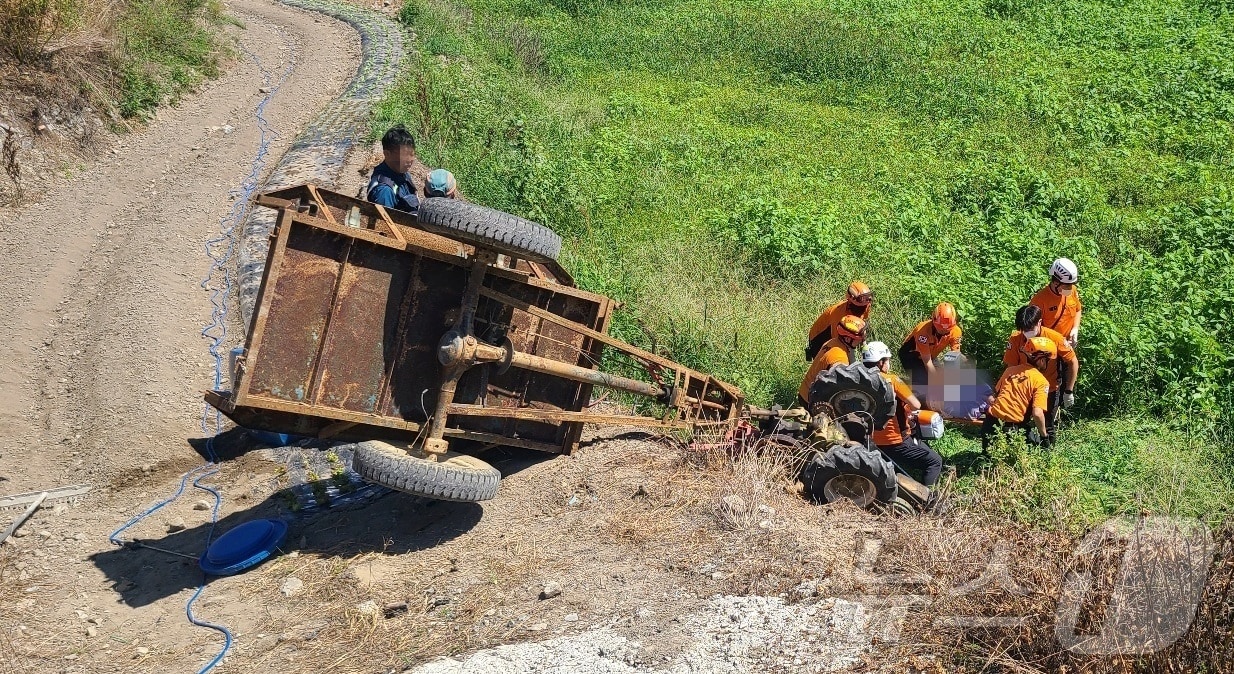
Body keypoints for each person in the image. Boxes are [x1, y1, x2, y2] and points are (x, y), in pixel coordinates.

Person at [862, 341, 943, 488]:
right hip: (895, 441)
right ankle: (928, 498)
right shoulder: (892, 380)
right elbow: (916, 405)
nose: (888, 364)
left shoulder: (858, 380)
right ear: (881, 362)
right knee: (935, 461)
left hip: (870, 441)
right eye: (887, 360)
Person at [1002, 304, 1079, 437]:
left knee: (1047, 426)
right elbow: (1011, 367)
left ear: (1039, 322)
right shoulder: (1016, 339)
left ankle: (1047, 448)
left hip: (1049, 388)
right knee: (1015, 424)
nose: (1027, 332)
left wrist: (1068, 391)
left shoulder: (1055, 338)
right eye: (1023, 329)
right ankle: (1026, 442)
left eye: (1030, 328)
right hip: (1024, 388)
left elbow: (1073, 361)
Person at [982, 336, 1054, 451]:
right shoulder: (1041, 381)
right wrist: (1044, 436)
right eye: (1048, 360)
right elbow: (1037, 413)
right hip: (1012, 431)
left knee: (987, 460)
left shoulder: (1010, 371)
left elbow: (997, 396)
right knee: (1035, 447)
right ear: (1041, 360)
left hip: (989, 425)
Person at [897, 302, 963, 397]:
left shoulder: (956, 331)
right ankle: (905, 394)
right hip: (911, 355)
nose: (944, 332)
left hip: (931, 355)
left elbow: (955, 357)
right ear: (933, 321)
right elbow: (927, 362)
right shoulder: (923, 331)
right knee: (924, 384)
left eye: (947, 329)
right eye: (940, 329)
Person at [798, 315, 867, 405]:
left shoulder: (832, 342)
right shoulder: (839, 358)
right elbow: (840, 387)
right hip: (811, 400)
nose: (862, 341)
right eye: (860, 339)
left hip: (805, 391)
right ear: (847, 338)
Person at [805, 282, 873, 361]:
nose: (865, 303)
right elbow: (839, 343)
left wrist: (865, 348)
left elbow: (861, 325)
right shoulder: (839, 315)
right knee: (831, 362)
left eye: (868, 299)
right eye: (861, 299)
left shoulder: (867, 305)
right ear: (851, 299)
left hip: (838, 334)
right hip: (820, 337)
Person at [365, 125, 420, 213]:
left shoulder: (403, 172)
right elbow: (384, 225)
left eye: (412, 154)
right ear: (387, 154)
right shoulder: (384, 192)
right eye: (404, 155)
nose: (409, 160)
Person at [1029, 257, 1083, 347]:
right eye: (1067, 286)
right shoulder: (1039, 301)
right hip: (1048, 348)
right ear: (1055, 282)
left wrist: (1075, 329)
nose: (1070, 288)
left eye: (1071, 285)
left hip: (1067, 346)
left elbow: (1078, 309)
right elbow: (1031, 331)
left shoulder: (1071, 291)